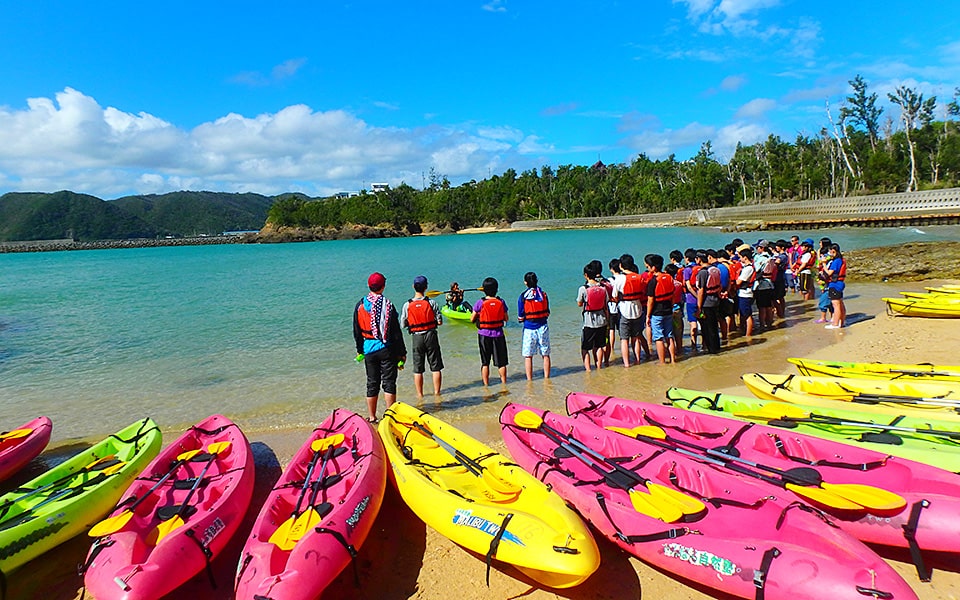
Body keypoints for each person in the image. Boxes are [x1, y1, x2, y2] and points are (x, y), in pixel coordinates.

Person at [354, 272, 407, 423]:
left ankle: (371, 417)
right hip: (386, 349)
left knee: (372, 383)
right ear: (383, 286)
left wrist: (360, 350)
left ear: (369, 286)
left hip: (369, 349)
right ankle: (390, 417)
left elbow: (357, 331)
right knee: (389, 383)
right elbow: (396, 332)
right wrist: (402, 353)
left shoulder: (360, 305)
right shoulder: (388, 305)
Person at [401, 275, 444, 397]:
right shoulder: (432, 303)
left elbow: (403, 324)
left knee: (418, 368)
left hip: (417, 337)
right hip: (431, 335)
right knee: (435, 366)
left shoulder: (407, 305)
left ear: (413, 287)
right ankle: (437, 393)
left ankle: (420, 395)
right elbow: (439, 321)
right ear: (426, 287)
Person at [471, 277, 509, 386]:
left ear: (483, 290)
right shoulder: (501, 302)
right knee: (501, 363)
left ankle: (486, 385)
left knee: (485, 363)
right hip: (498, 335)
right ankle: (504, 384)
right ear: (496, 289)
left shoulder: (479, 303)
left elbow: (472, 319)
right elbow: (506, 318)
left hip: (484, 336)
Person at [613, 254, 649, 367]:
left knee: (624, 339)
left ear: (621, 265)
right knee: (636, 337)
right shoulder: (640, 277)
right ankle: (637, 360)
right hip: (638, 309)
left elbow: (614, 296)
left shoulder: (619, 278)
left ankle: (627, 364)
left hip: (624, 310)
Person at [517, 272, 551, 380]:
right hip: (543, 327)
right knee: (545, 354)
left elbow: (520, 317)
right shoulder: (543, 294)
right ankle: (547, 377)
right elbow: (547, 312)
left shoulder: (523, 296)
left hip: (529, 328)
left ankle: (529, 380)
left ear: (525, 283)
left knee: (528, 356)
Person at [645, 254, 677, 364]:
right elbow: (672, 295)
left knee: (658, 338)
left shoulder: (652, 281)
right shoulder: (669, 277)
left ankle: (662, 362)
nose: (647, 268)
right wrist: (671, 307)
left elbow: (650, 301)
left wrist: (648, 316)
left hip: (657, 313)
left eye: (648, 266)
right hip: (668, 310)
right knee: (669, 335)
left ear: (653, 267)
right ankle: (673, 359)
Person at [578, 262, 609, 371]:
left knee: (585, 348)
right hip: (602, 320)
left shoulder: (583, 288)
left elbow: (579, 303)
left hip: (589, 322)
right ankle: (599, 366)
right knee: (599, 346)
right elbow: (606, 304)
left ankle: (588, 369)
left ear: (586, 275)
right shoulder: (603, 287)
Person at [696, 251, 722, 354]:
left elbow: (701, 290)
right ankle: (716, 347)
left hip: (707, 303)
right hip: (715, 300)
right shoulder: (715, 269)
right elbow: (719, 285)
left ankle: (711, 349)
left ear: (699, 259)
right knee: (714, 326)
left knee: (707, 327)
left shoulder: (703, 272)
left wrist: (699, 307)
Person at [824, 244, 847, 329]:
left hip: (835, 284)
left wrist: (823, 264)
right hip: (839, 283)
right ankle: (842, 322)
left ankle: (835, 323)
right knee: (840, 303)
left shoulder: (836, 261)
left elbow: (829, 273)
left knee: (836, 305)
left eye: (829, 251)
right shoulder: (840, 260)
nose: (829, 253)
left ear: (833, 250)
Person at [735, 247, 757, 337]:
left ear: (745, 257)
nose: (740, 259)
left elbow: (738, 282)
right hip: (744, 293)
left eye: (741, 257)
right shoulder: (748, 267)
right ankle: (745, 330)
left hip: (746, 293)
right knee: (744, 313)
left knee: (747, 314)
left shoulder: (748, 269)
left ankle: (748, 334)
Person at [816, 237, 834, 323]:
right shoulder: (826, 254)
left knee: (825, 297)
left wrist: (818, 253)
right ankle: (832, 317)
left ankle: (824, 318)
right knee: (829, 298)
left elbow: (820, 262)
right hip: (822, 276)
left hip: (826, 278)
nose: (819, 245)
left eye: (820, 243)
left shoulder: (828, 255)